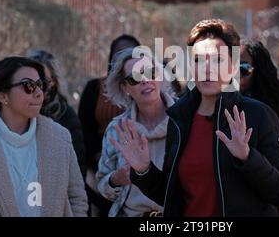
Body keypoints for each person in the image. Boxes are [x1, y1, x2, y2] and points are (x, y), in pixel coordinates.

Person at [116, 19, 279, 217]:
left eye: (217, 60)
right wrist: (144, 170)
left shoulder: (258, 114)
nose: (207, 69)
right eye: (199, 60)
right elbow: (173, 196)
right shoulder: (179, 118)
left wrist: (247, 157)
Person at [0, 57, 87, 216]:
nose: (39, 93)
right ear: (3, 96)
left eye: (40, 85)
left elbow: (77, 198)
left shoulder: (60, 138)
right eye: (29, 86)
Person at [96, 48, 176, 217]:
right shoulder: (117, 130)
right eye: (135, 78)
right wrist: (116, 179)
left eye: (150, 72)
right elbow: (102, 184)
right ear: (125, 87)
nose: (145, 80)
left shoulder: (185, 120)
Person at [78, 34, 140, 216]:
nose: (124, 56)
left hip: (138, 165)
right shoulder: (94, 88)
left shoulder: (148, 89)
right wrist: (100, 157)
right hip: (99, 161)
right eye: (119, 53)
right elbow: (84, 127)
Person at [27, 50, 87, 178]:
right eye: (33, 82)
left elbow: (78, 164)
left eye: (44, 81)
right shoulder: (17, 111)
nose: (39, 88)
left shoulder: (65, 114)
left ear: (54, 81)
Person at [240, 40, 279, 173]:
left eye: (243, 68)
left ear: (258, 70)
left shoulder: (270, 109)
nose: (235, 74)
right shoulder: (217, 103)